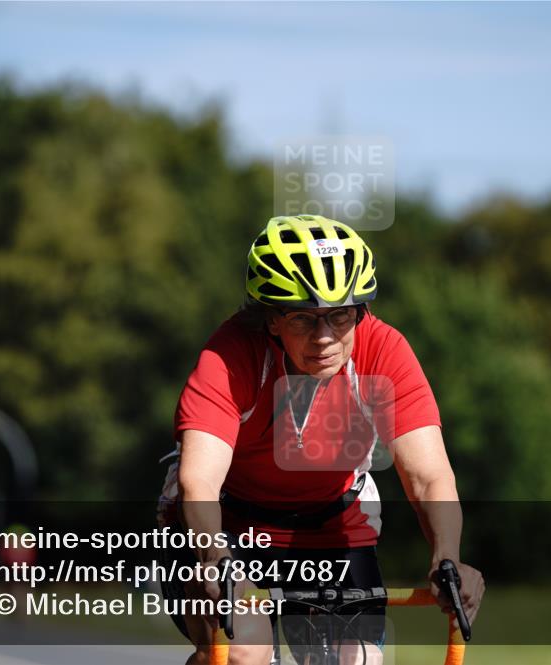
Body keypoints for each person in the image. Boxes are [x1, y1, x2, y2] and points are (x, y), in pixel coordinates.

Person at [157, 214, 484, 665]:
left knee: (355, 659)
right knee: (243, 652)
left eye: (340, 315)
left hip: (332, 524)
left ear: (360, 311)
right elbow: (199, 482)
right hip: (227, 525)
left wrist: (446, 558)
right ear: (272, 319)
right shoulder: (231, 356)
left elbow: (428, 477)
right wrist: (213, 555)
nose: (325, 337)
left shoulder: (384, 352)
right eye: (302, 319)